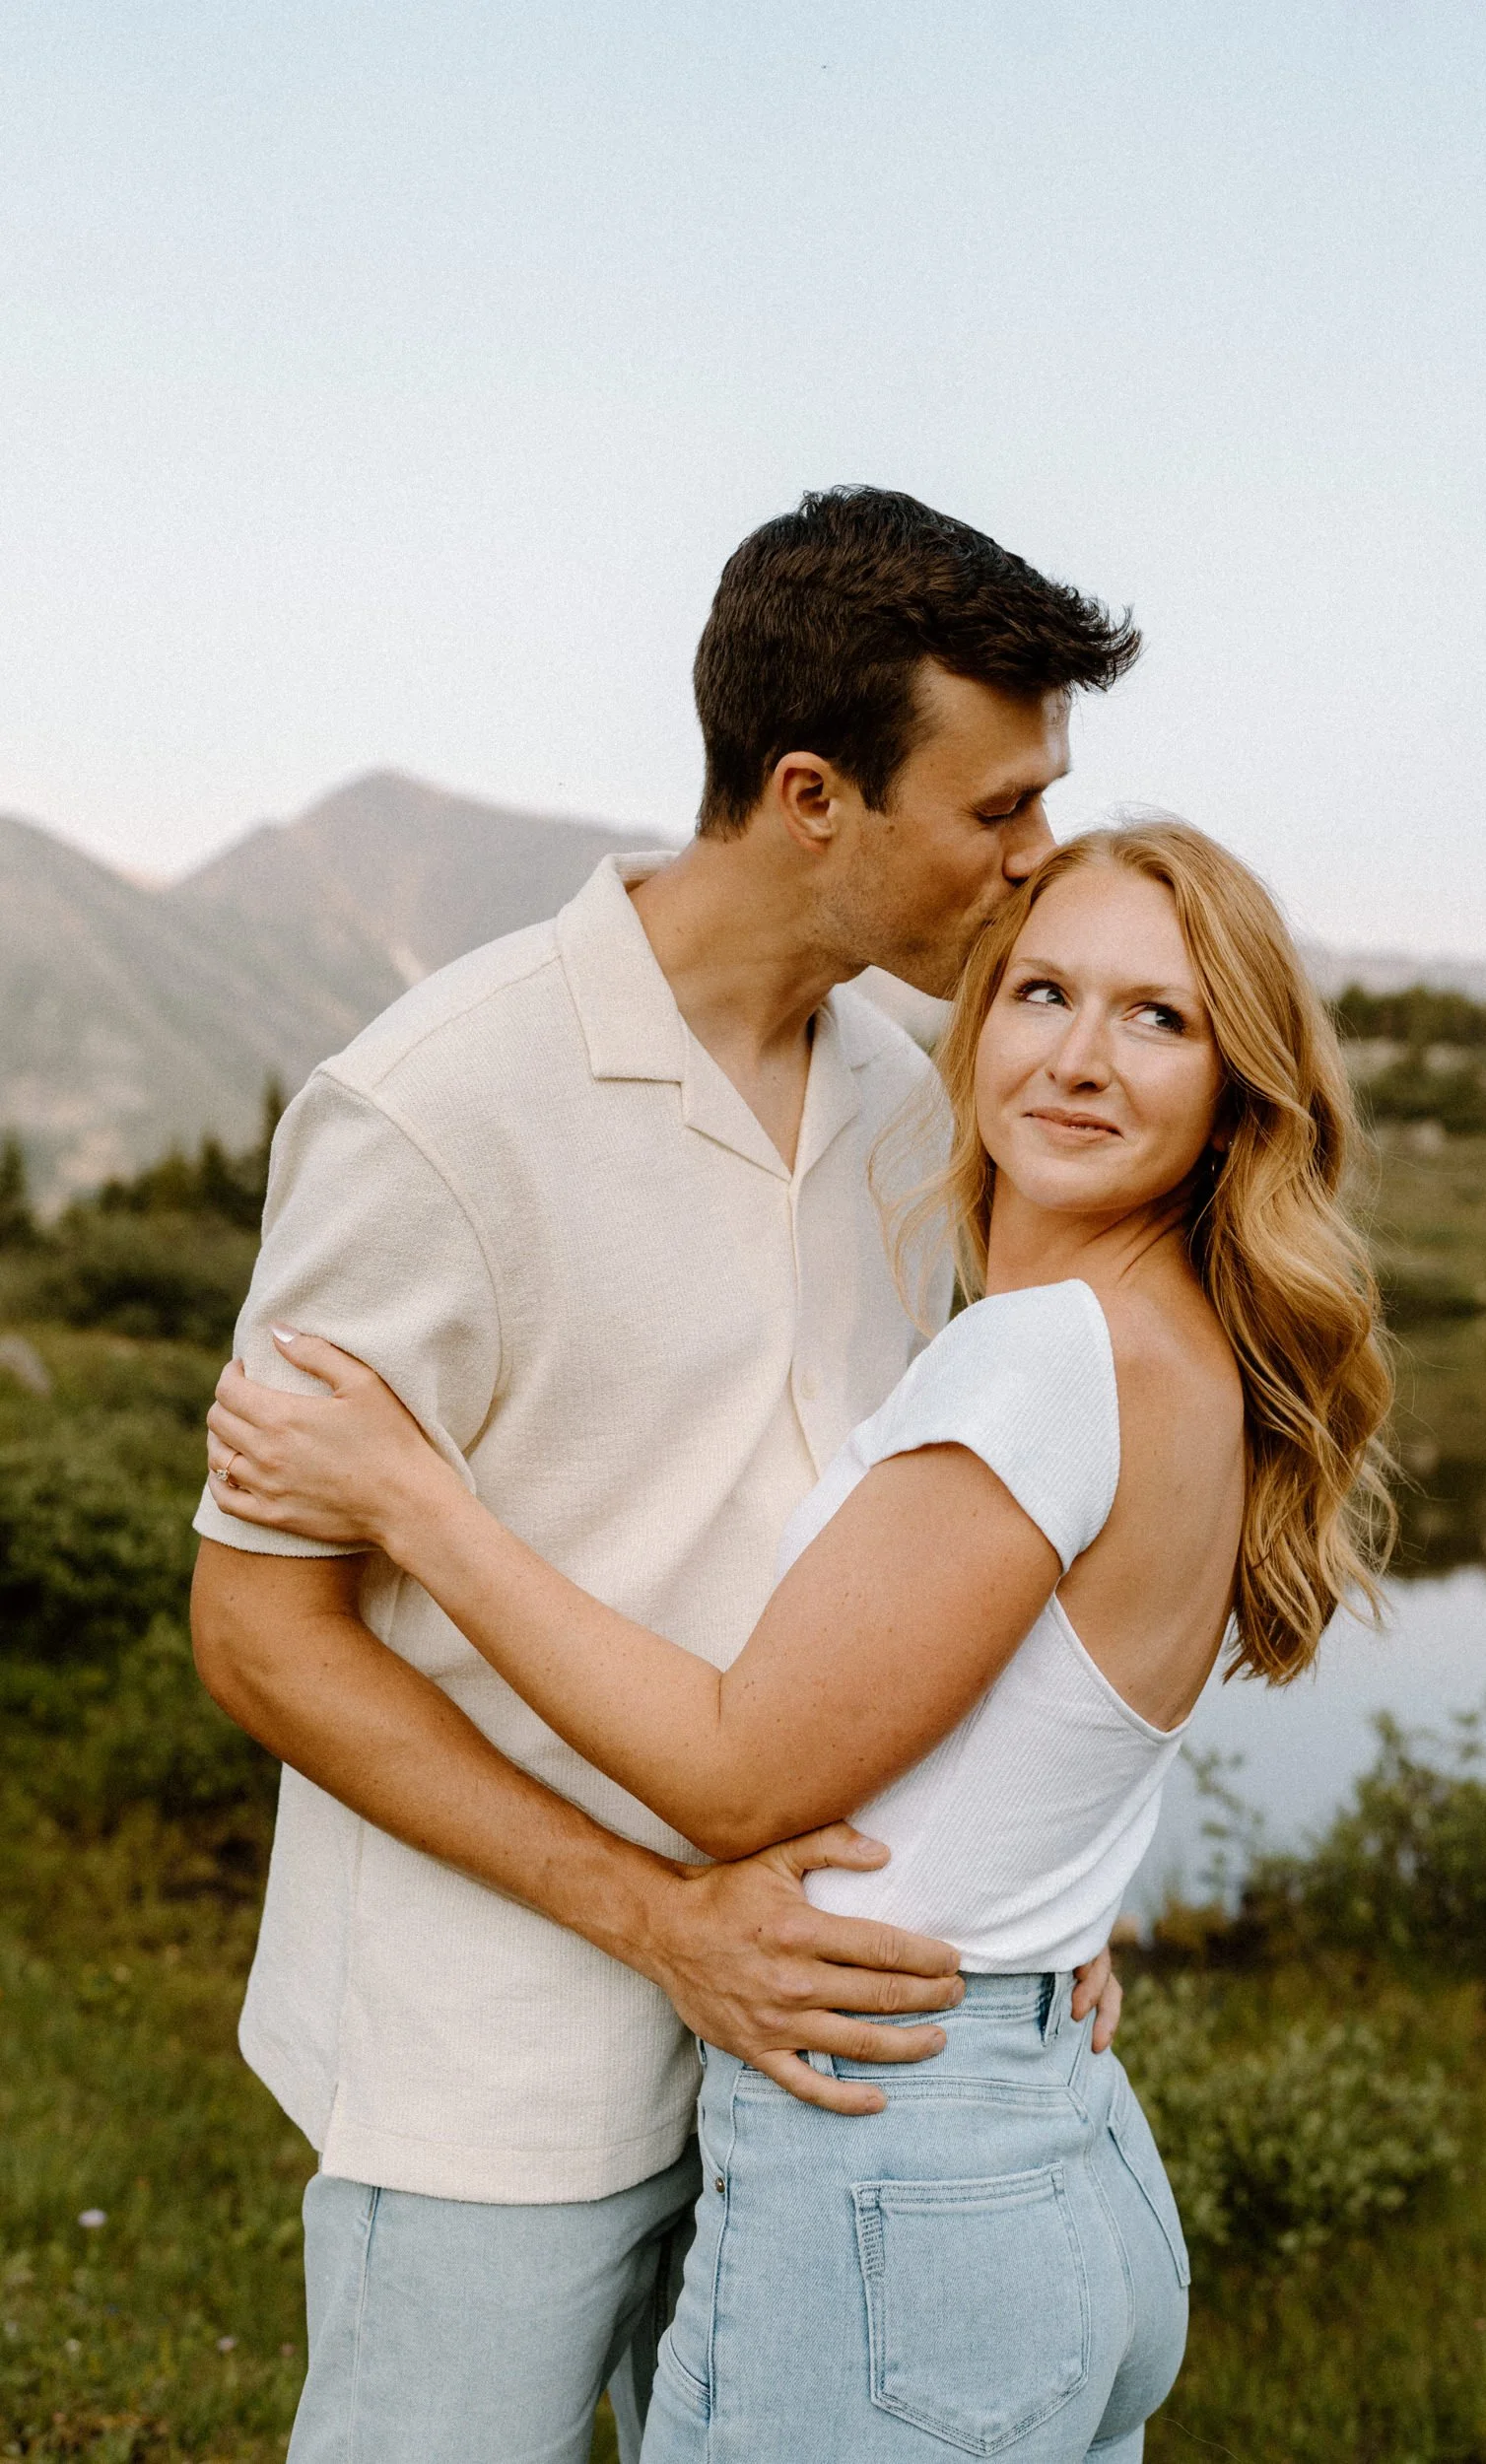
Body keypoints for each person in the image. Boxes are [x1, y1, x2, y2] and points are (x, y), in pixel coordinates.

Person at [206, 818, 1395, 2460]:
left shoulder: (1048, 1355)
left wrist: (422, 1512)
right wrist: (1032, 1920)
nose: (1076, 1058)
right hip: (1042, 2122)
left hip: (902, 2150)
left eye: (1156, 1018)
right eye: (1041, 992)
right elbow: (1049, 1729)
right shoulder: (1173, 1342)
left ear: (1236, 1086)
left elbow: (738, 1773)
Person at [188, 486, 1138, 2463]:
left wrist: (1024, 1897)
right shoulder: (434, 1107)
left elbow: (903, 1567)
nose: (1034, 863)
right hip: (488, 2079)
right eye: (994, 810)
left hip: (814, 2058)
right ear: (811, 795)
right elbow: (260, 1630)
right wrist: (650, 1915)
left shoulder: (907, 1099)